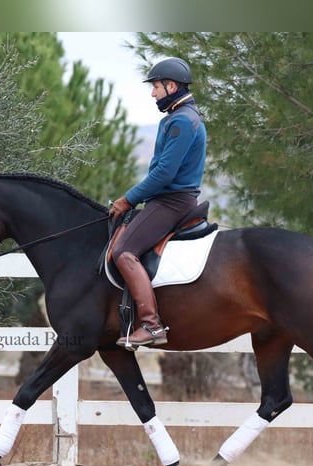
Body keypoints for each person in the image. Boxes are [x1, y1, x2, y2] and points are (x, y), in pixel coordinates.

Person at [109, 56, 207, 349]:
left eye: (155, 87)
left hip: (172, 201)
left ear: (171, 86)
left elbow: (164, 173)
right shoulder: (179, 117)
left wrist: (128, 199)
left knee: (124, 252)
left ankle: (151, 325)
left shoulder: (181, 121)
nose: (153, 94)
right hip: (168, 199)